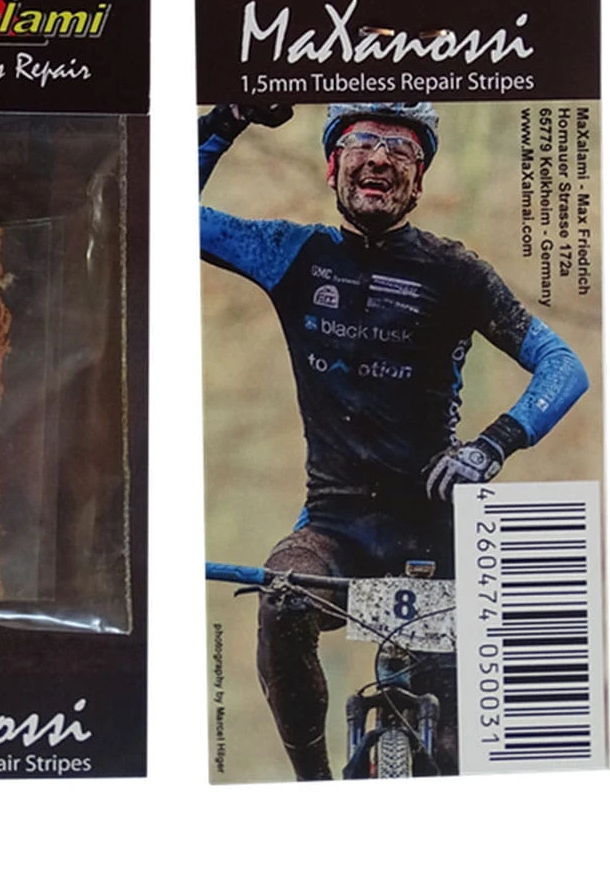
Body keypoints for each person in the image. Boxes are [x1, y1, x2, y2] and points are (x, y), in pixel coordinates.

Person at [199, 101, 589, 780]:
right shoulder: (291, 254)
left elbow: (564, 365)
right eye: (363, 141)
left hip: (436, 537)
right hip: (335, 530)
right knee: (281, 599)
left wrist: (492, 444)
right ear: (332, 167)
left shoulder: (454, 271)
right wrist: (227, 119)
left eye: (401, 149)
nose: (380, 157)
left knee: (454, 750)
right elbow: (160, 210)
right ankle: (313, 787)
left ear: (419, 183)